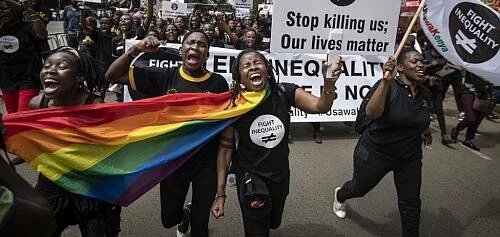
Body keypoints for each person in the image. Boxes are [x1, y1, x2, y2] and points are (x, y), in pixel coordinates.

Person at [106, 30, 228, 237]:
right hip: (173, 161)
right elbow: (112, 75)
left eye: (201, 44)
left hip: (205, 163)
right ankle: (185, 214)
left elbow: (226, 123)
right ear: (181, 51)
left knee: (201, 226)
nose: (195, 47)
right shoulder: (164, 77)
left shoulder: (218, 84)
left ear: (207, 54)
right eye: (190, 43)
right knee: (169, 219)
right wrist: (137, 48)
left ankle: (196, 218)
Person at [210, 49, 342, 237]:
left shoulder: (284, 92)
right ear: (239, 76)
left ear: (267, 68)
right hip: (250, 178)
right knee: (257, 230)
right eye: (246, 65)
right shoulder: (235, 105)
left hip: (279, 175)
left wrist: (329, 84)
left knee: (273, 222)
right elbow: (225, 149)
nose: (253, 66)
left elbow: (321, 107)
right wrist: (220, 193)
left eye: (258, 62)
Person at [332, 48, 432, 237]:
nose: (421, 65)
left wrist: (425, 131)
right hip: (376, 154)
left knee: (410, 204)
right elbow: (372, 113)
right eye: (415, 61)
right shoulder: (387, 86)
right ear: (400, 68)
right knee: (359, 188)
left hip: (409, 158)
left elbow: (421, 116)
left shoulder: (425, 93)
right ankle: (340, 195)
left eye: (422, 61)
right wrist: (386, 81)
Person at [29, 46, 121, 237]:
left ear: (79, 78)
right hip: (52, 180)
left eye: (61, 66)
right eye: (46, 66)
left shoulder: (96, 107)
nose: (51, 70)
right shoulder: (37, 104)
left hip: (89, 184)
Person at [0, 0, 48, 113]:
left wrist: (30, 10)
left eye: (4, 9)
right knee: (12, 115)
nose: (1, 12)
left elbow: (42, 35)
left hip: (28, 78)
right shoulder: (1, 29)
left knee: (24, 114)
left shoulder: (28, 27)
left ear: (15, 10)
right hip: (6, 79)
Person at [450, 71, 493, 151]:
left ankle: (468, 139)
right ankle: (457, 129)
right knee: (470, 118)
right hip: (469, 91)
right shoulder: (472, 61)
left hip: (483, 93)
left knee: (478, 118)